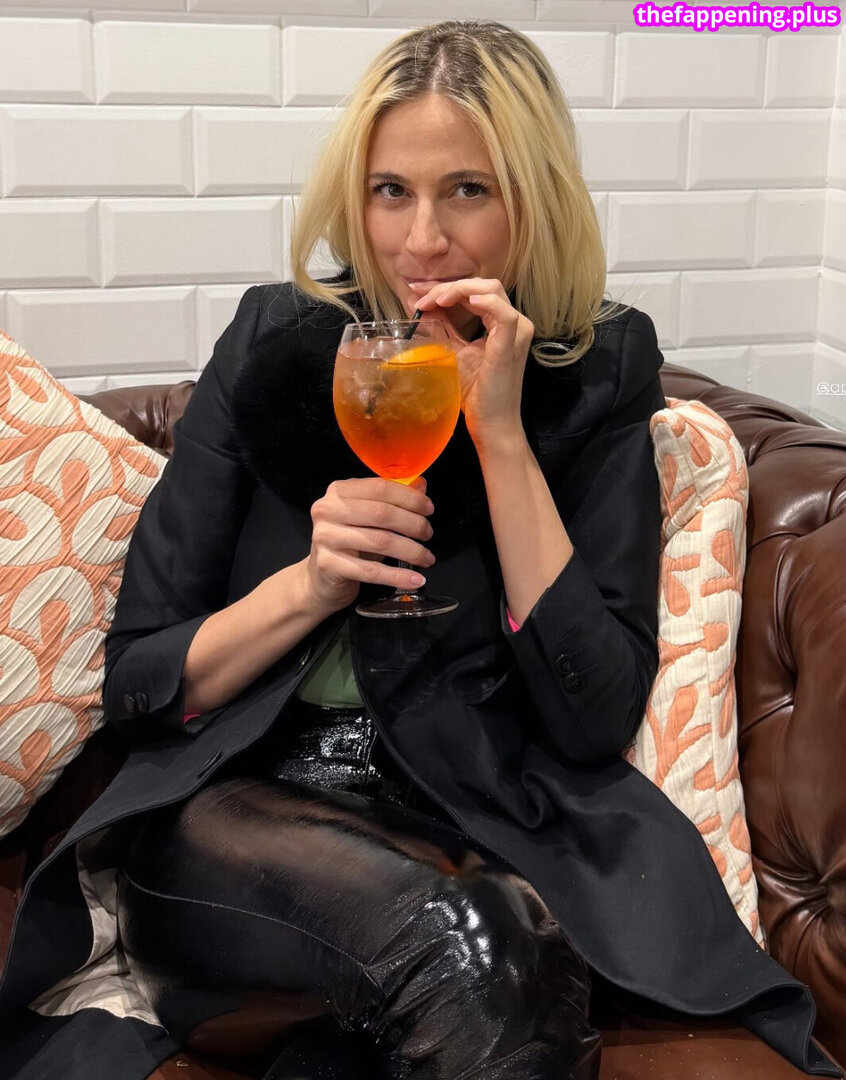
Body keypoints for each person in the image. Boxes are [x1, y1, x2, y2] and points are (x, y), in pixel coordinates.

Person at [0, 20, 838, 1080]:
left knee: (479, 957)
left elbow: (591, 718)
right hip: (236, 825)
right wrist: (312, 585)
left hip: (469, 821)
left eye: (468, 192)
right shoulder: (275, 346)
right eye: (390, 191)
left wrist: (501, 439)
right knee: (471, 945)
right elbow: (140, 683)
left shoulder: (597, 370)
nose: (422, 242)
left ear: (534, 203)